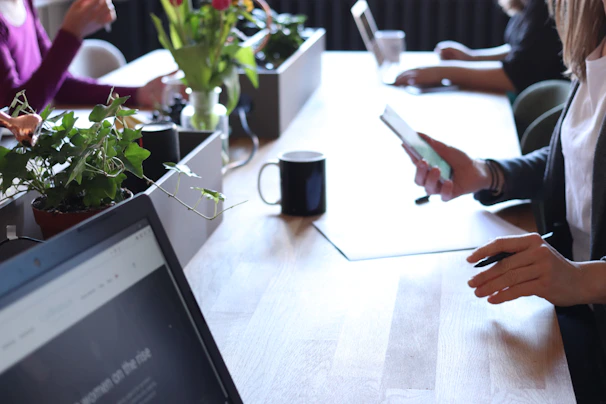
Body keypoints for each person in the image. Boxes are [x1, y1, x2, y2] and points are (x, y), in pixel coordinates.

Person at [402, 0, 606, 400]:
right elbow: (577, 154)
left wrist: (582, 280)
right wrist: (485, 173)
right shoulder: (595, 46)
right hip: (573, 313)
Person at [0, 0, 166, 112]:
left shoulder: (24, 3)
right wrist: (71, 34)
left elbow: (60, 86)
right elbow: (14, 113)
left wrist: (138, 94)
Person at [395, 0, 565, 93]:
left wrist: (442, 72)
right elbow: (520, 50)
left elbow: (516, 75)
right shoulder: (530, 5)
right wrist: (472, 57)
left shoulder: (546, 7)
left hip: (531, 108)